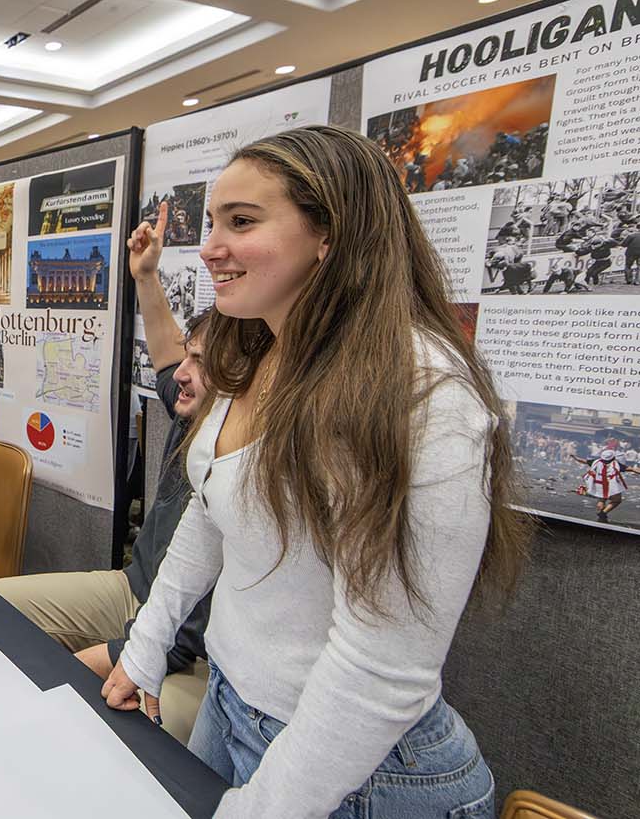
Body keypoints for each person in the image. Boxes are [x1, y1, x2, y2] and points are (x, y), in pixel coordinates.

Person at [102, 125, 530, 818]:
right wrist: (146, 647)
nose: (210, 247)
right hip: (229, 707)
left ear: (329, 234)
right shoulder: (255, 352)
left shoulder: (423, 393)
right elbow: (208, 518)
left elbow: (383, 667)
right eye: (213, 223)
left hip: (359, 775)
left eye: (242, 222)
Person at [0, 206, 213, 743]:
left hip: (195, 654)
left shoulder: (249, 454)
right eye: (191, 357)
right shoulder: (194, 405)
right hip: (134, 591)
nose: (181, 374)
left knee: (95, 715)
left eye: (202, 363)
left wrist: (107, 655)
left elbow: (189, 628)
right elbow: (167, 356)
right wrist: (146, 276)